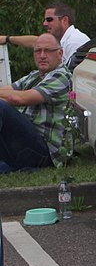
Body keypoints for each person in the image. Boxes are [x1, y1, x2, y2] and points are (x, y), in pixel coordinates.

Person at [0, 33, 71, 173]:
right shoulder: (34, 75)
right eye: (38, 51)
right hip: (27, 143)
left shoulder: (62, 76)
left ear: (60, 53)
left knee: (1, 107)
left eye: (48, 51)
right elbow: (6, 90)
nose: (42, 55)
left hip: (46, 152)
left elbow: (17, 99)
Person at [1, 0, 90, 67]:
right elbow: (35, 41)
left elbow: (71, 79)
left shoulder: (74, 42)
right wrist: (7, 39)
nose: (44, 23)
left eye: (49, 19)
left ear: (65, 20)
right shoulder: (64, 39)